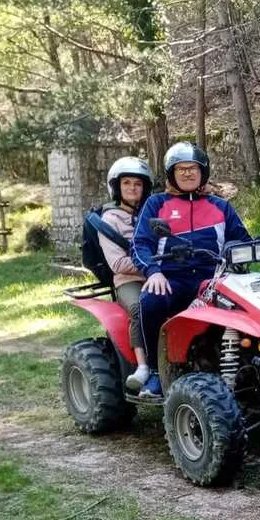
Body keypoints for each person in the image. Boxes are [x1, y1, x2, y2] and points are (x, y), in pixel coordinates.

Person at [131, 140, 260, 400]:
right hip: (171, 278)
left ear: (203, 172)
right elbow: (140, 244)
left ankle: (256, 371)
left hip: (213, 278)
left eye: (192, 168)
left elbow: (240, 239)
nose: (187, 173)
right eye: (180, 169)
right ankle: (155, 373)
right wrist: (153, 272)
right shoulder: (156, 204)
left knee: (251, 306)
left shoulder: (220, 206)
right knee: (151, 302)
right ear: (171, 173)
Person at [98, 156, 153, 392]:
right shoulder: (109, 220)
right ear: (117, 187)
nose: (132, 188)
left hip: (159, 275)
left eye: (138, 184)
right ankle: (143, 367)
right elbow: (118, 263)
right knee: (141, 307)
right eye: (127, 183)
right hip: (129, 280)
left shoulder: (152, 214)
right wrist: (151, 264)